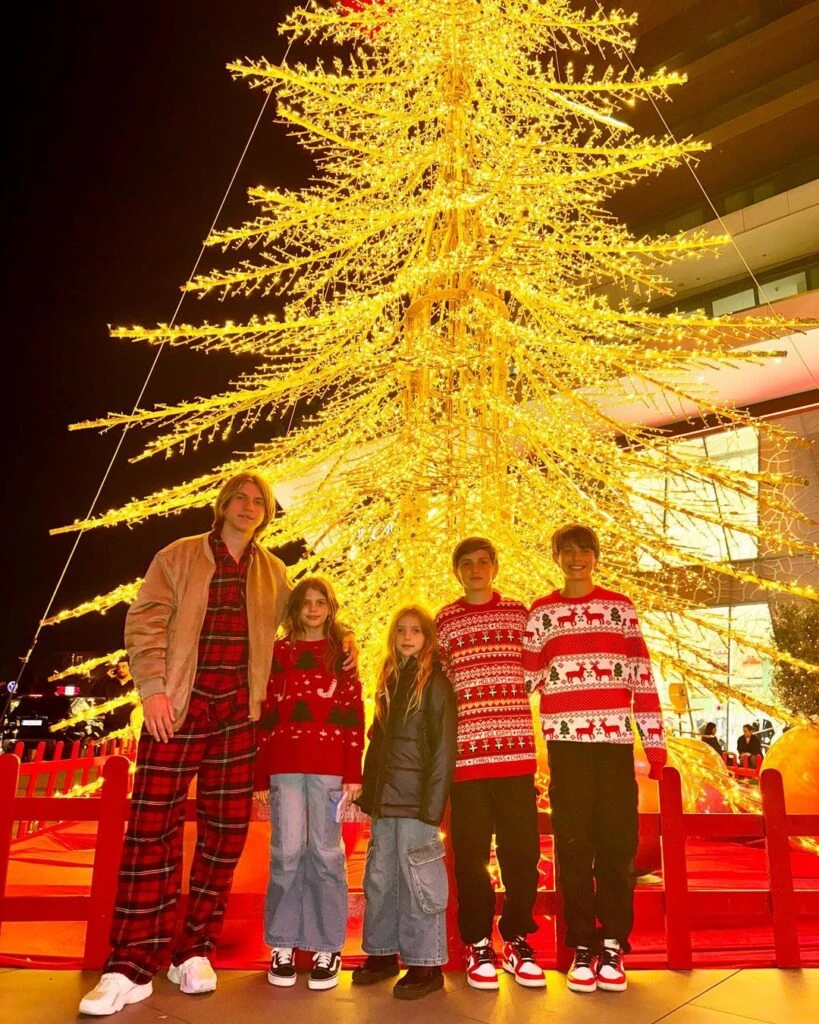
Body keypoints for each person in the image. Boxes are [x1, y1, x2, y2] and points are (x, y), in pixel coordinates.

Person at [80, 473, 291, 1017]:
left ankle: (193, 949)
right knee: (152, 828)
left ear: (267, 513)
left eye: (258, 502)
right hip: (177, 708)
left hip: (237, 718)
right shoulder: (177, 557)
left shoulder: (274, 573)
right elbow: (145, 624)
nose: (249, 507)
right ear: (222, 506)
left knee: (225, 834)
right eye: (240, 499)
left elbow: (293, 636)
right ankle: (131, 962)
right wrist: (152, 690)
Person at [523, 524, 666, 995]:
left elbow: (642, 676)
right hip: (566, 749)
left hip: (613, 747)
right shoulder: (542, 614)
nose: (576, 558)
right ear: (556, 557)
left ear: (595, 556)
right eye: (567, 551)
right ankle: (582, 946)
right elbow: (525, 678)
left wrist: (655, 743)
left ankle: (612, 944)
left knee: (616, 846)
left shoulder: (619, 609)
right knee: (572, 845)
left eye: (584, 551)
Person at [434, 537, 545, 991]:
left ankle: (517, 937)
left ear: (495, 567)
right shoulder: (445, 620)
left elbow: (539, 672)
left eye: (483, 562)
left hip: (516, 757)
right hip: (467, 762)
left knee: (523, 854)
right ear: (457, 571)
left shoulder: (520, 615)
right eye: (467, 564)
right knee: (472, 858)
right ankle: (477, 942)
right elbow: (435, 684)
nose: (476, 569)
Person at [253, 577, 364, 992]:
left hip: (330, 769)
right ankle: (281, 943)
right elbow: (265, 713)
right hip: (284, 766)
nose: (314, 609)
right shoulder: (279, 653)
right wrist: (260, 773)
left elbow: (354, 711)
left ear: (331, 608)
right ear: (296, 608)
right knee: (285, 851)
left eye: (321, 602)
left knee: (325, 852)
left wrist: (354, 771)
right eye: (307, 603)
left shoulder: (343, 656)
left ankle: (326, 944)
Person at [353, 606, 457, 1000]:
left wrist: (432, 810)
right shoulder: (389, 681)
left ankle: (425, 963)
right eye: (401, 631)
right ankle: (382, 953)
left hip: (416, 805)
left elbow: (444, 750)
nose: (408, 637)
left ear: (428, 637)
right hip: (385, 803)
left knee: (418, 884)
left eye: (416, 630)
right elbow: (376, 743)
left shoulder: (435, 684)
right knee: (380, 880)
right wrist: (369, 794)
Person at [93, 657, 136, 734]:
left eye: (124, 666)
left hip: (128, 726)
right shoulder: (110, 683)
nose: (121, 669)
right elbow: (95, 693)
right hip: (109, 725)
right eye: (119, 667)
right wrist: (106, 677)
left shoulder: (134, 684)